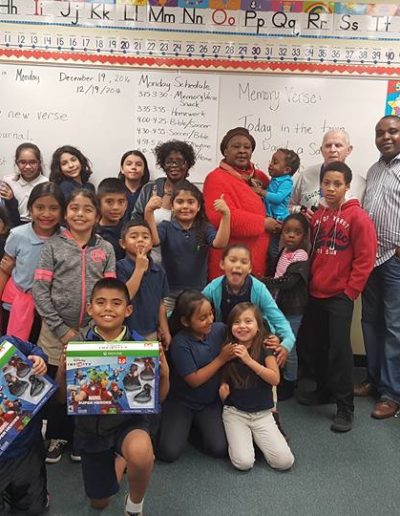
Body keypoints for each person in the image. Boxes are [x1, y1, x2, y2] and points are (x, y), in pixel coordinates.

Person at [32, 189, 115, 463]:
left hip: (92, 331)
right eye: (75, 208)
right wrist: (61, 329)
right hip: (55, 331)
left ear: (97, 216)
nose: (80, 214)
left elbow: (110, 291)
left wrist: (90, 328)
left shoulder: (105, 249)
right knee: (57, 385)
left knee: (88, 385)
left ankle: (81, 437)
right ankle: (56, 435)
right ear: (66, 213)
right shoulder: (53, 246)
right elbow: (40, 290)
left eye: (88, 209)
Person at [73, 278, 170, 514]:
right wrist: (64, 372)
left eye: (116, 303)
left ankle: (135, 503)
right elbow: (64, 400)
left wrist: (165, 373)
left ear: (128, 310)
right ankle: (120, 460)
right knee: (99, 503)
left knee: (141, 453)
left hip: (129, 422)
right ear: (89, 308)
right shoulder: (79, 347)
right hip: (91, 429)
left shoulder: (142, 345)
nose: (108, 308)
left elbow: (161, 397)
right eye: (101, 302)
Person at [298, 162, 376, 433]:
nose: (330, 189)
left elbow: (366, 259)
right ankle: (323, 390)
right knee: (317, 345)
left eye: (337, 184)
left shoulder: (359, 218)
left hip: (340, 295)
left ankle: (345, 407)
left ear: (347, 186)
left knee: (340, 351)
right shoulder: (319, 215)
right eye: (326, 183)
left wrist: (350, 291)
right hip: (316, 291)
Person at [156, 290, 236, 463]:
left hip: (208, 402)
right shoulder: (180, 343)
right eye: (202, 318)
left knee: (219, 448)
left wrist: (271, 339)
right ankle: (183, 426)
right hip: (182, 401)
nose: (210, 320)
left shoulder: (220, 329)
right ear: (185, 321)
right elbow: (194, 380)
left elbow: (244, 335)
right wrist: (221, 358)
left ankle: (193, 429)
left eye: (211, 314)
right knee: (168, 452)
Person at [356, 115, 400, 419]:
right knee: (369, 321)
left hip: (395, 260)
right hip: (370, 259)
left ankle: (391, 392)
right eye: (379, 132)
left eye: (393, 131)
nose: (385, 137)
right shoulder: (373, 171)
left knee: (394, 327)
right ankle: (373, 380)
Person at [219, 302, 294, 471]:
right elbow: (223, 377)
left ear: (258, 327)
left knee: (284, 462)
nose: (242, 326)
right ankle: (248, 440)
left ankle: (256, 439)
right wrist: (223, 390)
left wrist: (248, 360)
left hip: (262, 414)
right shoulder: (228, 349)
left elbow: (275, 379)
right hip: (236, 412)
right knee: (243, 463)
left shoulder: (265, 348)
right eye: (237, 322)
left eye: (248, 321)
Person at [203, 127, 280, 279]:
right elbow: (219, 217)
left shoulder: (260, 177)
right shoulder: (215, 178)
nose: (242, 151)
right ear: (225, 151)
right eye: (236, 146)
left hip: (258, 262)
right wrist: (263, 223)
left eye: (247, 147)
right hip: (229, 263)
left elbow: (277, 202)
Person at [202, 243, 295, 364]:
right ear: (222, 264)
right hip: (226, 341)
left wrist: (286, 344)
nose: (238, 265)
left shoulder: (259, 289)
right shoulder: (214, 287)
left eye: (244, 262)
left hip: (255, 341)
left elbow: (279, 320)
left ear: (250, 268)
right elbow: (196, 306)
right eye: (233, 260)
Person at [145, 180, 230, 310]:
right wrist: (149, 212)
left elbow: (220, 243)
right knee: (168, 327)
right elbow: (154, 241)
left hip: (198, 292)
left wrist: (226, 215)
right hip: (169, 292)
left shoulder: (205, 228)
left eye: (191, 202)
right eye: (180, 202)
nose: (185, 206)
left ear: (199, 206)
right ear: (172, 206)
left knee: (194, 327)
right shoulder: (166, 226)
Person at [0, 183, 64, 343]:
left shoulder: (66, 238)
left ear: (63, 211)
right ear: (30, 208)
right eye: (40, 207)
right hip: (16, 305)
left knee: (39, 354)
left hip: (50, 310)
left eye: (53, 208)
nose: (46, 214)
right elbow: (5, 268)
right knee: (13, 351)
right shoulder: (17, 235)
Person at [262, 214, 310, 400]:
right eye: (287, 231)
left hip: (292, 309)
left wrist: (262, 281)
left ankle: (290, 381)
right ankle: (281, 376)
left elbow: (286, 282)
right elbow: (275, 272)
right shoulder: (284, 252)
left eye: (296, 233)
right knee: (277, 341)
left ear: (304, 236)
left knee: (289, 345)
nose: (291, 235)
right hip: (278, 306)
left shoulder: (301, 256)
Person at [0, 334, 49, 515]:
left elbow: (34, 350)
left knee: (33, 507)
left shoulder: (8, 343)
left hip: (26, 445)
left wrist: (39, 360)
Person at [117, 220, 171, 347]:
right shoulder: (120, 267)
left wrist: (165, 329)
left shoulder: (158, 270)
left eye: (145, 237)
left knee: (148, 365)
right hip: (125, 332)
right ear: (123, 243)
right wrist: (139, 269)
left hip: (151, 331)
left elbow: (161, 303)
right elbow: (124, 297)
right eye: (134, 236)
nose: (140, 240)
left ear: (152, 243)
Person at [289, 129, 353, 221]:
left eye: (338, 145)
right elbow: (288, 206)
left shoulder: (360, 183)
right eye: (328, 145)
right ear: (321, 150)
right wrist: (301, 211)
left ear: (349, 150)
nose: (332, 149)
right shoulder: (306, 175)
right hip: (308, 233)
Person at [257, 149, 300, 275]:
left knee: (273, 250)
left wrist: (261, 192)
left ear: (286, 170)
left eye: (275, 162)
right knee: (267, 248)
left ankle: (278, 271)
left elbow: (278, 198)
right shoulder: (275, 179)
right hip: (270, 218)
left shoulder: (286, 182)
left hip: (279, 220)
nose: (270, 164)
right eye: (271, 161)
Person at [0, 143, 49, 226]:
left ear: (39, 163)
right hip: (11, 226)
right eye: (22, 162)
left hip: (37, 226)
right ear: (17, 162)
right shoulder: (8, 181)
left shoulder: (46, 183)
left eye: (33, 162)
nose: (28, 167)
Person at [97, 177, 128, 261]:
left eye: (121, 202)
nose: (115, 207)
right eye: (109, 202)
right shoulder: (91, 232)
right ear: (98, 203)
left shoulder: (129, 232)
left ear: (126, 205)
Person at [118, 150, 150, 219]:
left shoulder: (148, 191)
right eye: (129, 164)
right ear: (122, 169)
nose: (133, 167)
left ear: (144, 170)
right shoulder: (115, 190)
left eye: (138, 165)